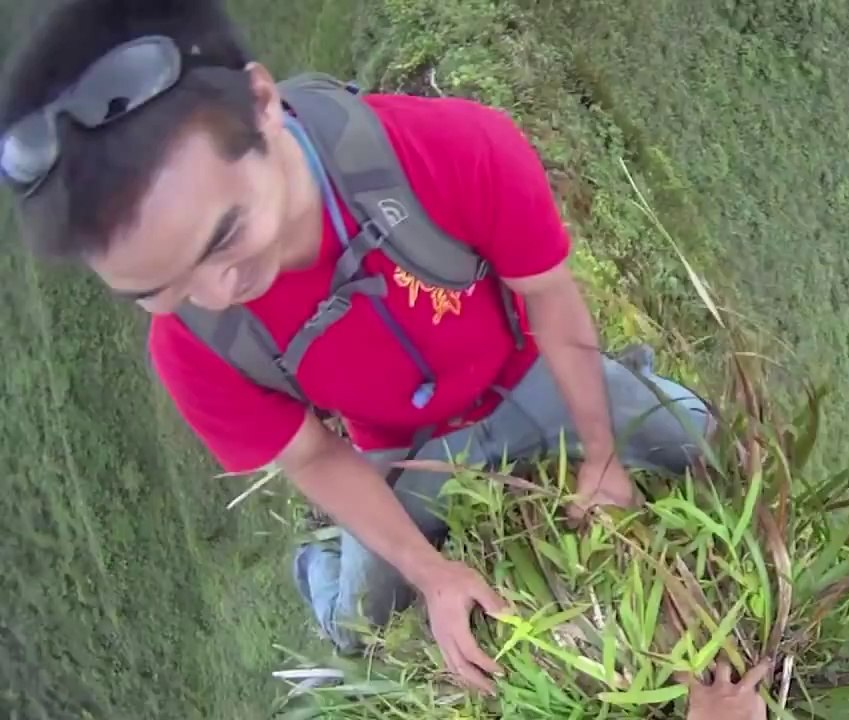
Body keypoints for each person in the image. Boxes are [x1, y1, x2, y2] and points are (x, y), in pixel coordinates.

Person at [0, 0, 712, 696]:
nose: (218, 294)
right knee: (358, 625)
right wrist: (433, 576)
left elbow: (549, 296)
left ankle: (623, 390)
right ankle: (322, 566)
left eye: (223, 237)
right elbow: (310, 453)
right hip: (400, 450)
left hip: (525, 375)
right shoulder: (191, 346)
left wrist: (603, 452)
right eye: (158, 287)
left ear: (260, 101)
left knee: (696, 437)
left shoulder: (451, 150)